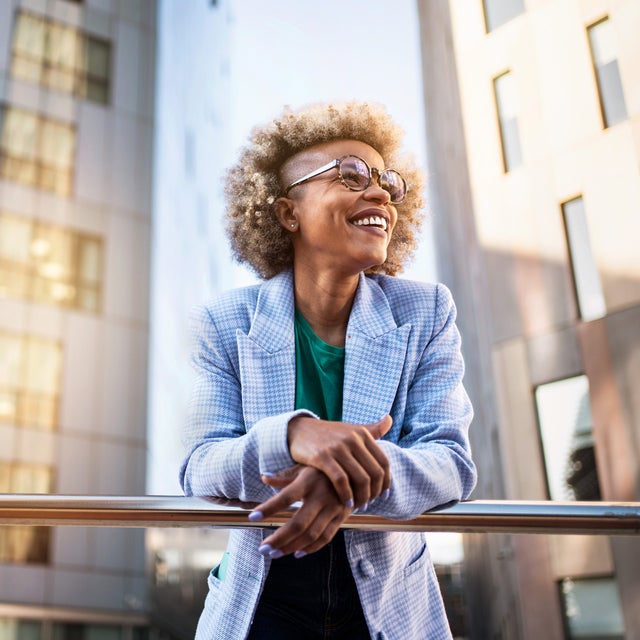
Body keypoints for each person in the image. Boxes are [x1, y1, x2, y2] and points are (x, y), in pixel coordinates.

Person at [180, 101, 476, 640]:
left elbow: (451, 462)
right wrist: (295, 436)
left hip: (387, 606)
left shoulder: (428, 311)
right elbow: (200, 466)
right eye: (351, 174)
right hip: (261, 603)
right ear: (287, 214)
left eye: (387, 179)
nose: (381, 192)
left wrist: (345, 475)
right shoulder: (223, 323)